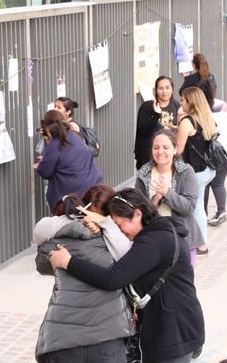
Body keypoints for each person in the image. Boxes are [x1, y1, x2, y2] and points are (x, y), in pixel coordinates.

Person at [49, 188, 206, 363]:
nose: (119, 230)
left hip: (174, 333)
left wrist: (68, 262)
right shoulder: (160, 232)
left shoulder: (154, 241)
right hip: (178, 326)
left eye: (119, 224)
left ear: (137, 214)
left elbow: (112, 279)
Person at [33, 194, 133, 363]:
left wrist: (67, 225)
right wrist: (105, 224)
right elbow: (128, 255)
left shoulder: (52, 245)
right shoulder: (111, 243)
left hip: (62, 339)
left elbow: (41, 263)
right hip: (108, 337)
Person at [135, 129, 202, 266]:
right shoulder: (144, 173)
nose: (160, 152)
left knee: (182, 284)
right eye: (156, 147)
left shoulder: (186, 171)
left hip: (183, 239)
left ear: (175, 149)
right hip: (155, 239)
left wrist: (167, 193)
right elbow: (139, 211)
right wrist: (156, 199)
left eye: (166, 147)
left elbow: (188, 207)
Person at [35, 110, 103, 213]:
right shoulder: (75, 136)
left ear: (48, 128)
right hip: (92, 188)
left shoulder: (54, 144)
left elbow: (45, 172)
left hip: (71, 196)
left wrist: (42, 164)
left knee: (69, 224)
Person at [177, 87, 218, 255]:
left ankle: (200, 244)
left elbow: (178, 150)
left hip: (195, 173)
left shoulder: (187, 121)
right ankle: (202, 243)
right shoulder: (206, 117)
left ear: (190, 102)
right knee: (199, 206)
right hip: (208, 169)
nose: (180, 103)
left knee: (193, 208)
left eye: (183, 100)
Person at [198, 78, 227, 227]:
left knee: (206, 183)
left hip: (212, 152)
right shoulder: (222, 104)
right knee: (218, 183)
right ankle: (221, 210)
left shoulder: (200, 109)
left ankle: (203, 213)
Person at [134, 76, 180, 170]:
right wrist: (156, 114)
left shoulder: (177, 106)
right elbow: (143, 130)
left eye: (167, 88)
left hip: (168, 156)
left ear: (172, 89)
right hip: (148, 157)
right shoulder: (147, 107)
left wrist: (176, 129)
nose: (164, 91)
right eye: (161, 88)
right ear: (156, 91)